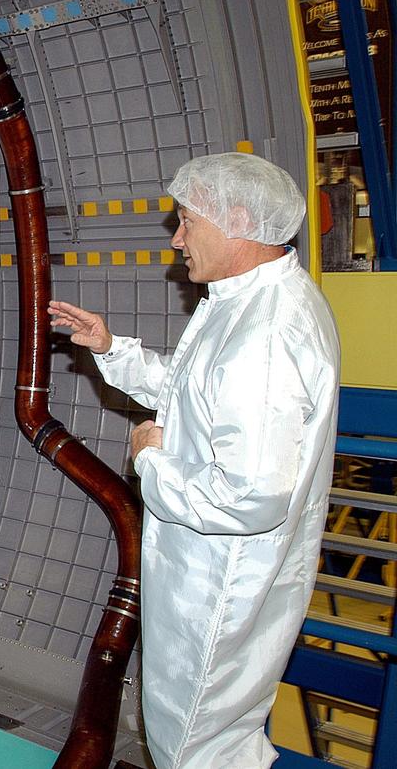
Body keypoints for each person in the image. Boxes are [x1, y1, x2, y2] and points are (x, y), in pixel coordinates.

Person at [49, 152, 340, 769]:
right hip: (205, 574)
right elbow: (191, 393)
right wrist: (110, 348)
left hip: (220, 585)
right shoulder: (241, 303)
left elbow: (251, 496)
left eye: (185, 222)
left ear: (237, 219)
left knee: (198, 746)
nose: (177, 239)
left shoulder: (265, 336)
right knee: (196, 739)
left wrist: (150, 462)